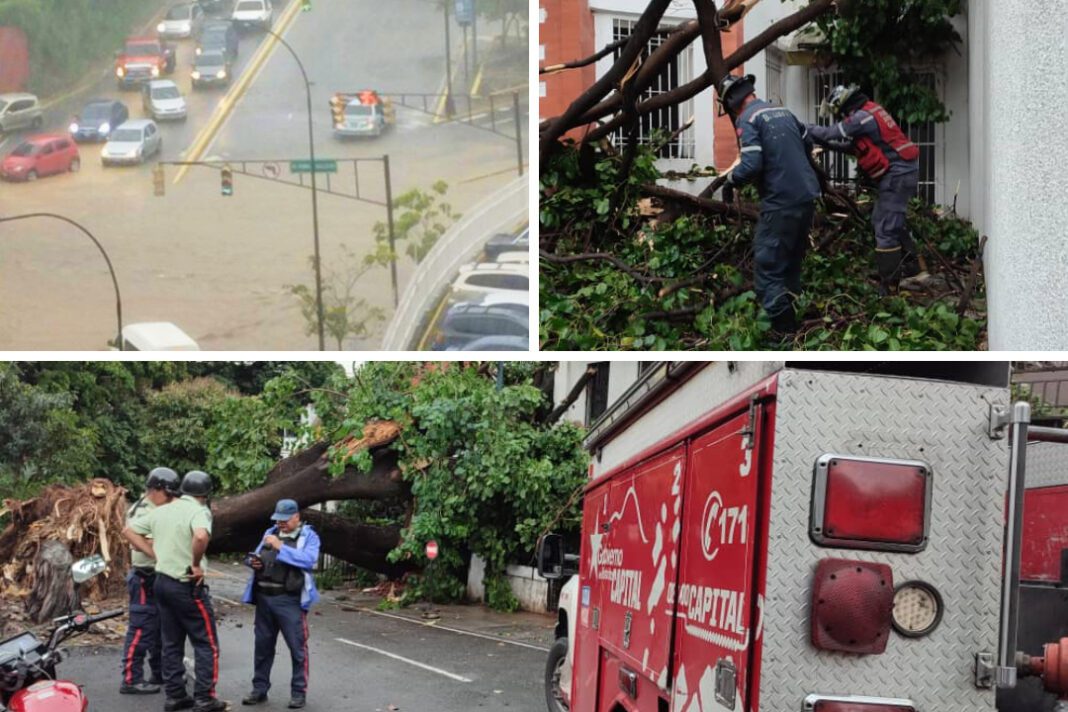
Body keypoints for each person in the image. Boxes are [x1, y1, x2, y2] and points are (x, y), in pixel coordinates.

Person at [719, 73, 822, 341]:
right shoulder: (782, 111)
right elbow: (808, 143)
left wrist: (730, 181)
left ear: (731, 101)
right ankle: (794, 315)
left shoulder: (748, 119)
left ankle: (784, 333)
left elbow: (752, 165)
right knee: (790, 263)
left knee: (768, 267)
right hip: (806, 197)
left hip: (780, 201)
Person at [805, 84, 929, 292]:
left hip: (897, 175)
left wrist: (802, 128)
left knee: (886, 227)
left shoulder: (861, 118)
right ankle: (912, 269)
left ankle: (890, 285)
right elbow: (853, 147)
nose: (839, 116)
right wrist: (829, 147)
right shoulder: (871, 111)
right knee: (886, 221)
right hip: (902, 172)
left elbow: (829, 133)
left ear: (843, 105)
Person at [124, 470, 228, 712]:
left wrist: (154, 554)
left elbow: (128, 531)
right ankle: (204, 698)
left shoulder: (162, 511)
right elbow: (201, 536)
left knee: (171, 643)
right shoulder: (199, 511)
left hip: (161, 582)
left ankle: (175, 696)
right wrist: (195, 563)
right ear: (205, 494)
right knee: (206, 643)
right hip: (187, 585)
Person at [241, 499, 320, 710]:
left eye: (285, 520)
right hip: (264, 598)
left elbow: (309, 560)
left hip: (289, 600)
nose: (281, 524)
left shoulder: (309, 536)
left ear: (297, 517)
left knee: (297, 648)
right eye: (278, 520)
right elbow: (254, 556)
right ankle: (259, 690)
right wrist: (253, 562)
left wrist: (281, 547)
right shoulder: (270, 532)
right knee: (262, 647)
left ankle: (298, 693)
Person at [119, 466, 179, 695]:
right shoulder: (142, 510)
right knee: (141, 628)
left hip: (157, 576)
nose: (172, 498)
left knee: (160, 628)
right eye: (169, 493)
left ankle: (159, 672)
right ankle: (131, 678)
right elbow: (139, 541)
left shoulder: (159, 508)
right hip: (144, 576)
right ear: (156, 490)